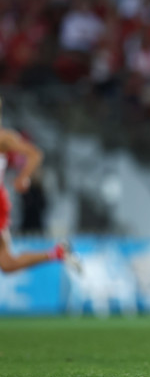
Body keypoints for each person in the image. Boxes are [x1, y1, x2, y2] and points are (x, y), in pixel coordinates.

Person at [0, 108, 80, 274]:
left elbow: (35, 154)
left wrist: (23, 177)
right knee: (7, 264)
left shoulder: (3, 138)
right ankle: (56, 253)